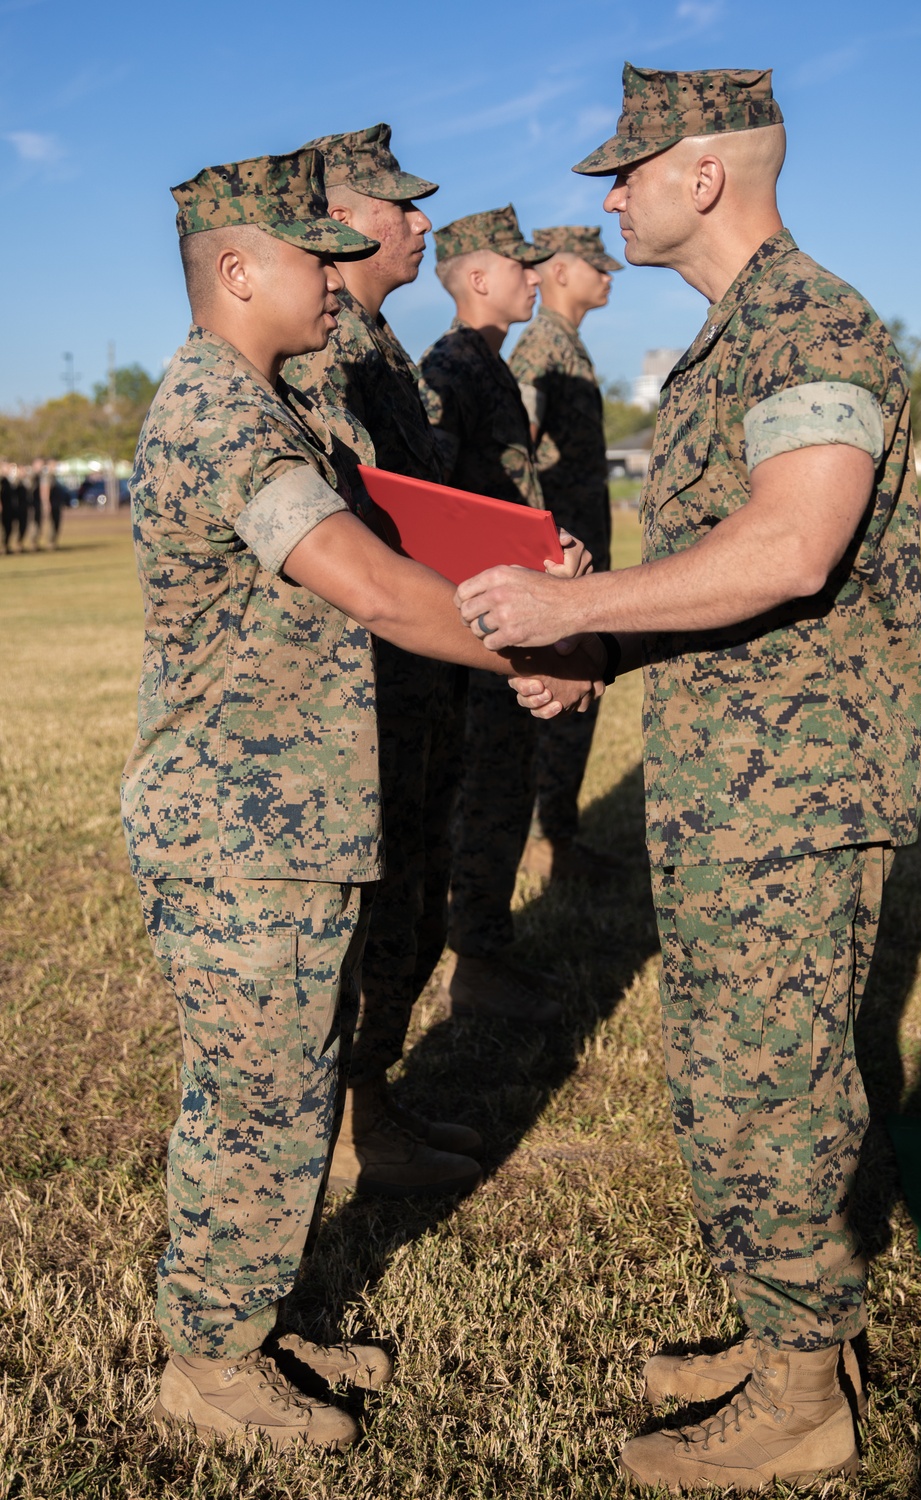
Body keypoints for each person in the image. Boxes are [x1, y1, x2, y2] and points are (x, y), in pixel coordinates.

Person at [454, 64, 921, 1492]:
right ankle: (792, 1336)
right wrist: (600, 640)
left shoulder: (808, 325)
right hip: (741, 782)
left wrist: (569, 618)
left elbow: (792, 552)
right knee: (739, 1086)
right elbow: (734, 592)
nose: (606, 201)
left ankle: (801, 1405)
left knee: (765, 1093)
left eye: (628, 172)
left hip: (793, 796)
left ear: (703, 175)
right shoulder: (739, 339)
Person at [123, 147, 601, 1451]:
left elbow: (401, 541)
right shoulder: (224, 416)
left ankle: (249, 1323)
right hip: (238, 829)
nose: (337, 275)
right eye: (308, 255)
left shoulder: (263, 403)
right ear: (235, 270)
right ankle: (209, 1365)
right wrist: (548, 639)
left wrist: (519, 579)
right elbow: (378, 589)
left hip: (282, 817)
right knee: (258, 1106)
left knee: (288, 1090)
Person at [283, 122, 481, 1199]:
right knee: (372, 904)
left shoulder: (384, 350)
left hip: (420, 673)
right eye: (396, 206)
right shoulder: (321, 357)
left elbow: (426, 516)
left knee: (414, 892)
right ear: (335, 218)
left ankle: (377, 1103)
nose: (420, 223)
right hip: (364, 684)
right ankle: (355, 1118)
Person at [420, 206, 569, 1025]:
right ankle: (475, 961)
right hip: (477, 620)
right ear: (479, 278)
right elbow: (431, 501)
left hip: (507, 607)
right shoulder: (452, 367)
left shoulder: (488, 364)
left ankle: (485, 954)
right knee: (487, 787)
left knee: (505, 783)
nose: (533, 277)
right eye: (520, 266)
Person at [509, 225, 623, 882]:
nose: (609, 275)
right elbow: (517, 449)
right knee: (557, 709)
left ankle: (559, 838)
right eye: (595, 265)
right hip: (557, 569)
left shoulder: (566, 346)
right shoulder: (542, 350)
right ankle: (542, 845)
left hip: (577, 566)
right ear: (557, 271)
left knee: (580, 706)